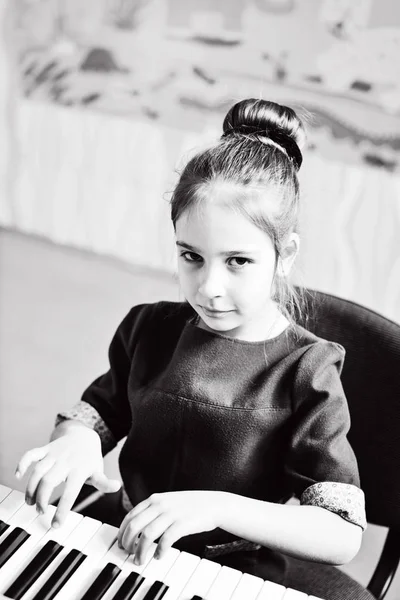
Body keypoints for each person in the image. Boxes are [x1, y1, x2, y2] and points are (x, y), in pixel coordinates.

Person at [16, 99, 372, 599]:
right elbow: (96, 412)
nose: (208, 287)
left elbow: (341, 534)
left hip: (232, 569)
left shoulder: (307, 369)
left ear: (284, 254)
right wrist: (76, 440)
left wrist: (219, 506)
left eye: (238, 261)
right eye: (191, 256)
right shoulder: (150, 327)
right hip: (124, 536)